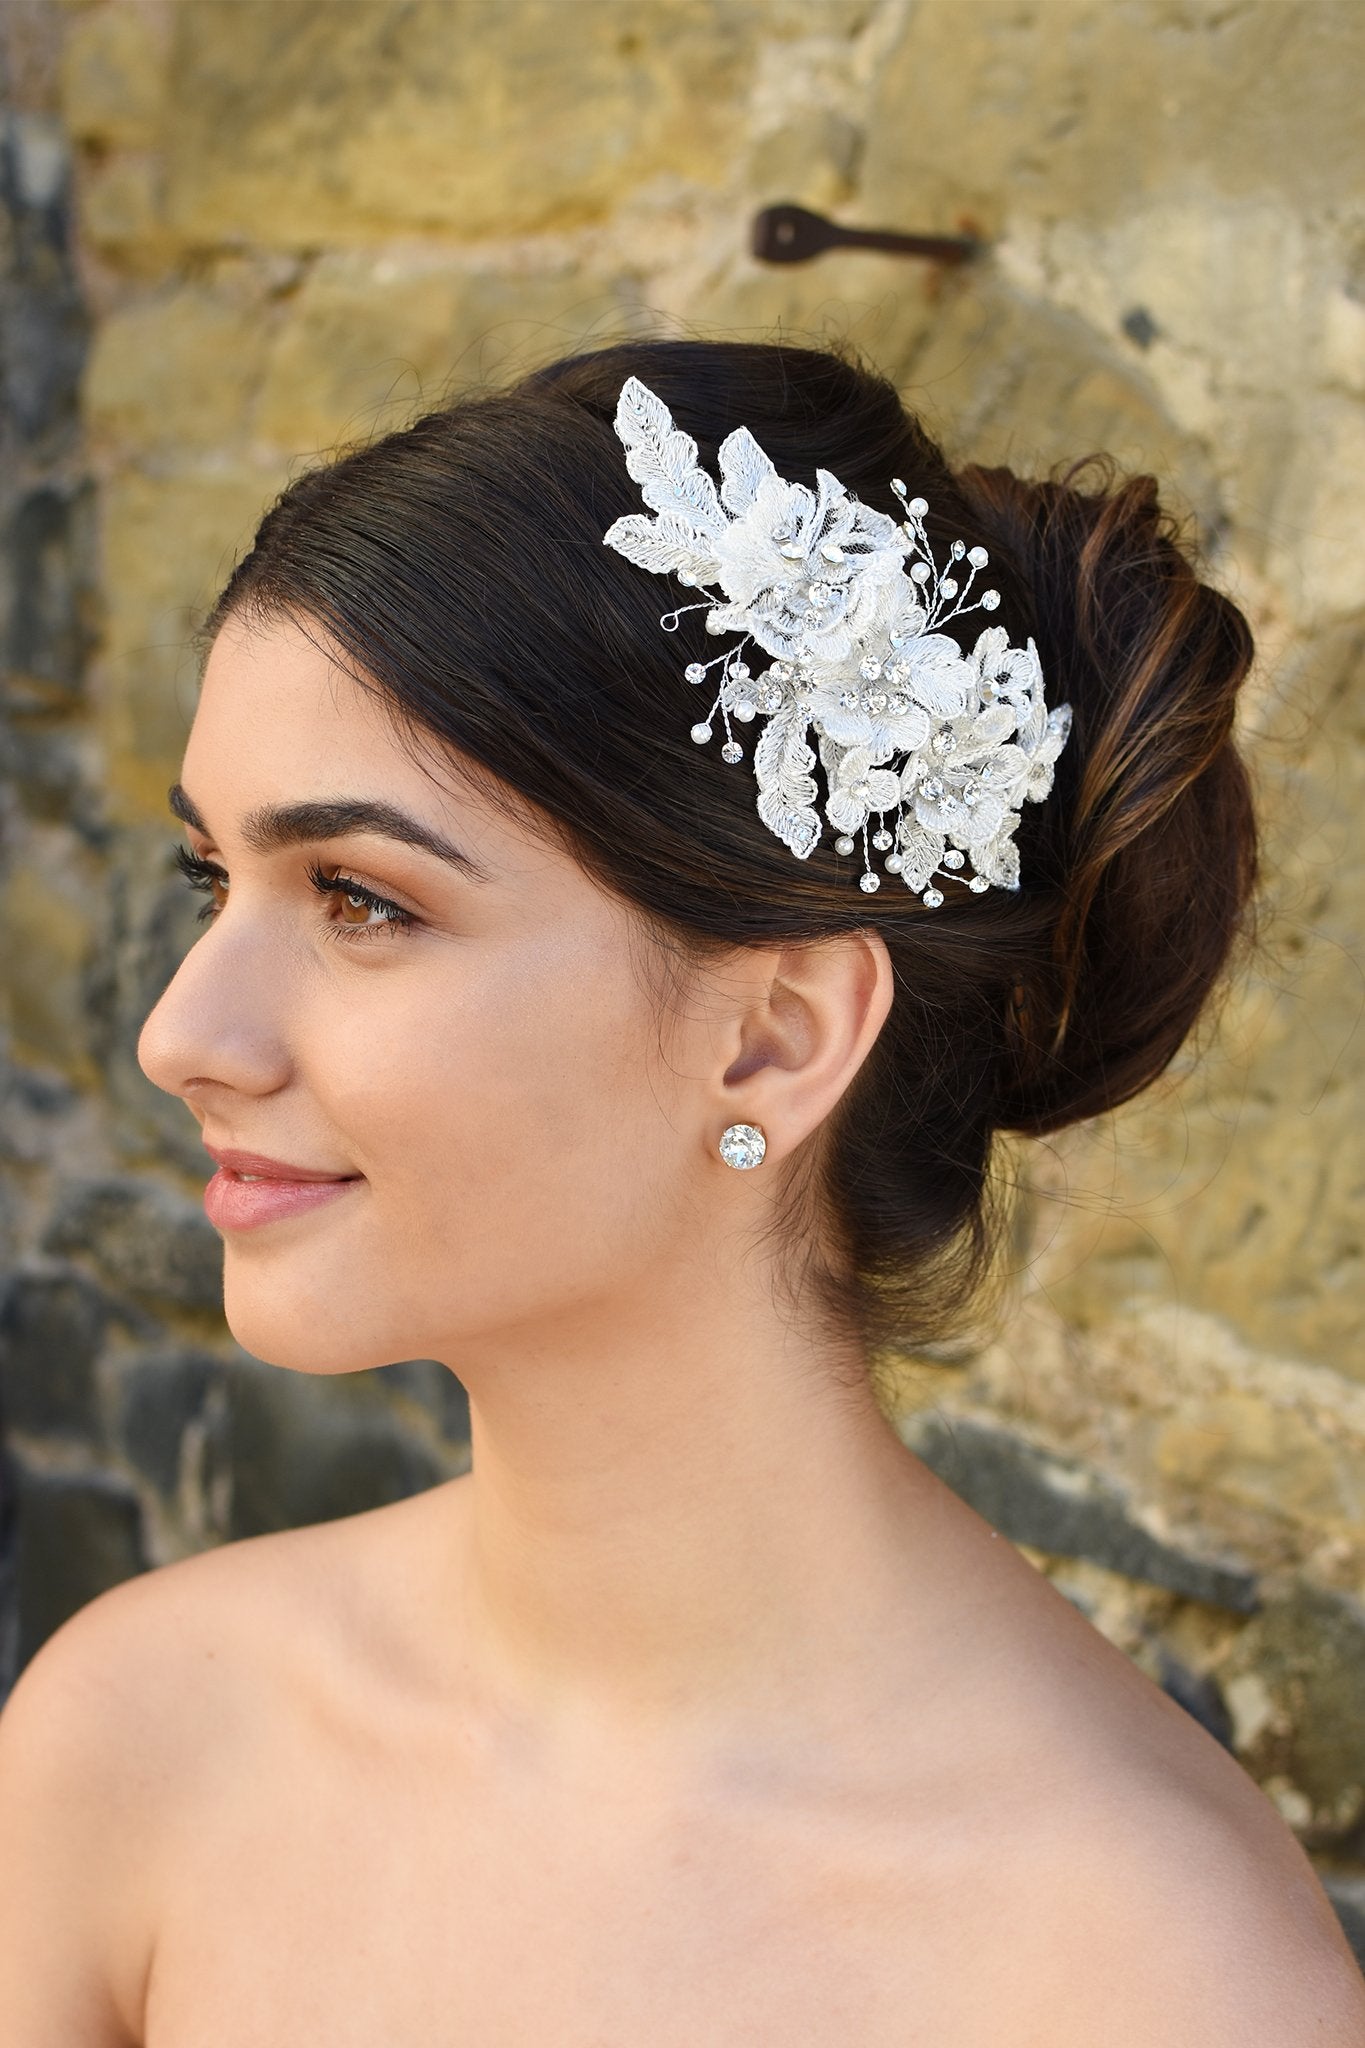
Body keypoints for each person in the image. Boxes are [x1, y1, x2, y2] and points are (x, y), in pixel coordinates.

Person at [1, 339, 1362, 2045]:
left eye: (360, 900)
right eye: (216, 872)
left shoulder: (1139, 1974)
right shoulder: (136, 1740)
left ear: (773, 1042)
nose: (177, 1035)